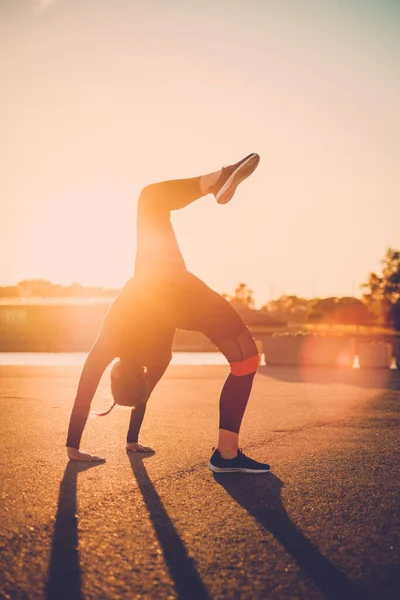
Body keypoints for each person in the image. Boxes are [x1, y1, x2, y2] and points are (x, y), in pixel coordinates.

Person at [66, 153, 270, 473]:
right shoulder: (110, 343)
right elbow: (84, 393)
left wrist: (81, 448)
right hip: (159, 280)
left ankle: (227, 454)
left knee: (246, 357)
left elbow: (141, 395)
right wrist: (72, 445)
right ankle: (216, 181)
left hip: (184, 304)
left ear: (141, 380)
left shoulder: (158, 361)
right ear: (115, 374)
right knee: (151, 199)